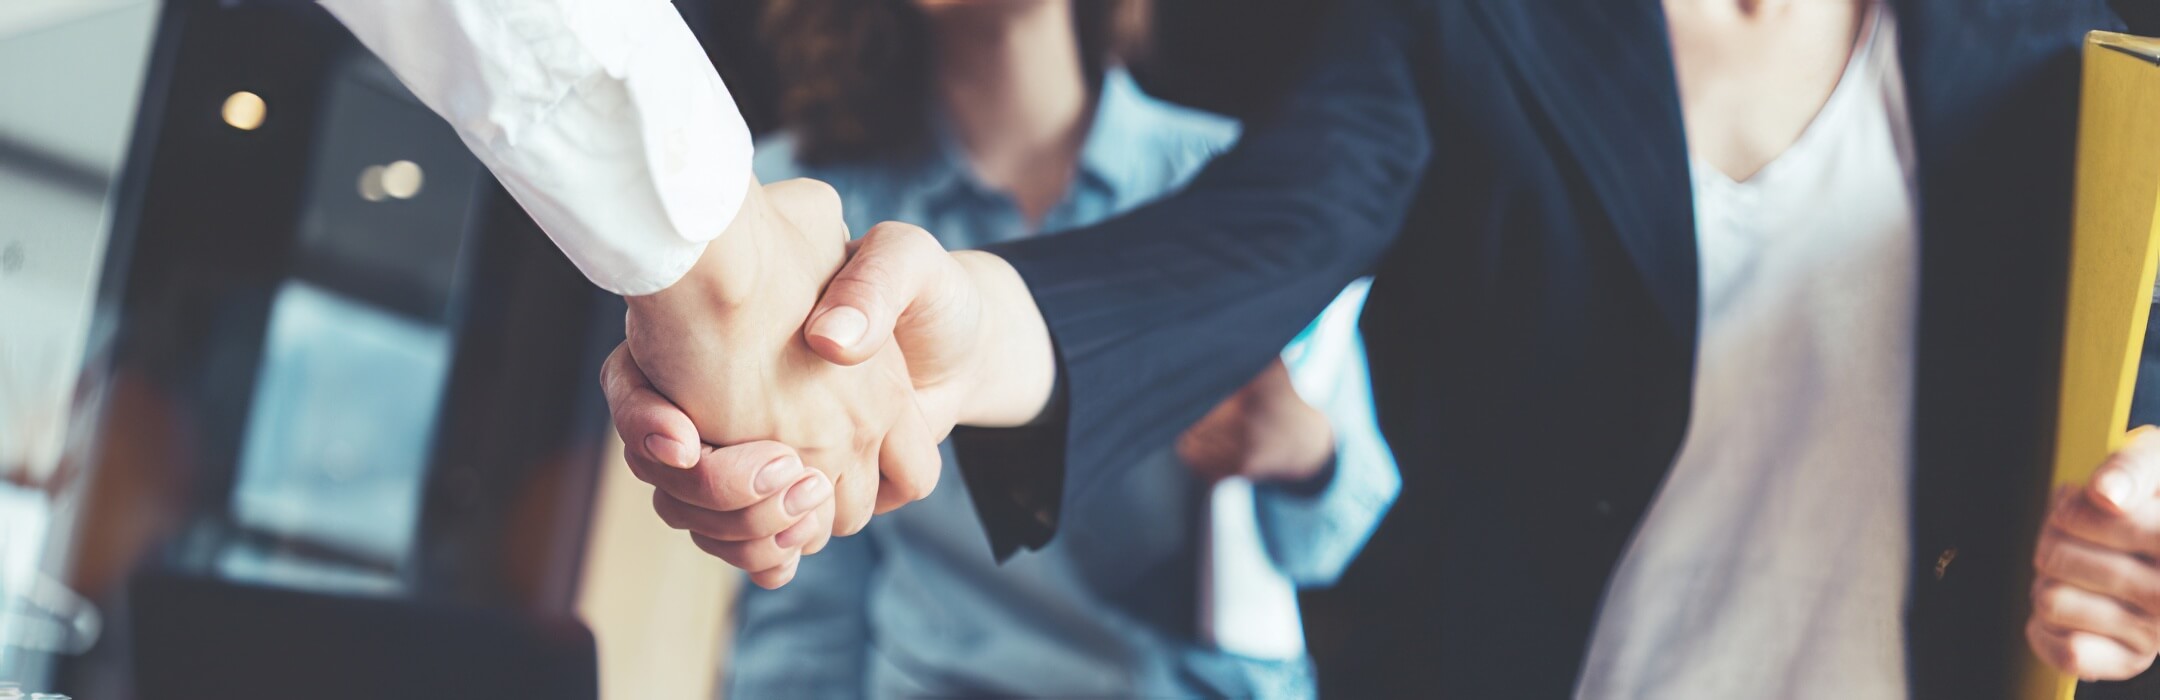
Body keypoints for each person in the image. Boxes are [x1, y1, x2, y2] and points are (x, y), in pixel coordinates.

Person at [590, 0, 2160, 698]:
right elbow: (1227, 252)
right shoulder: (1462, 23)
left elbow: (2122, 417)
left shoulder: (2043, 33)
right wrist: (958, 337)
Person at [725, 1, 1396, 697]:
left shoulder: (1234, 182)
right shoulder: (810, 211)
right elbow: (804, 586)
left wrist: (1305, 457)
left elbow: (1332, 543)